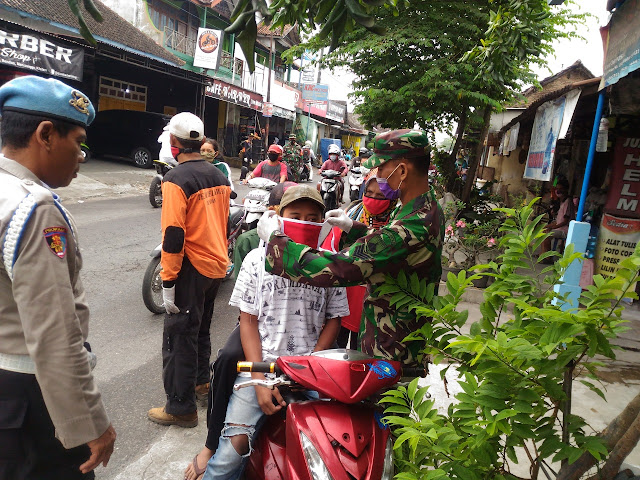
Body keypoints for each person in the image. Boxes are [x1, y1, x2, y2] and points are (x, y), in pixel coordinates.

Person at [0, 75, 116, 479]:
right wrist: (92, 423)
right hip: (28, 399)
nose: (81, 154)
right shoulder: (34, 208)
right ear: (45, 134)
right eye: (78, 141)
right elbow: (54, 334)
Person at [200, 185, 349, 480]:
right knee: (231, 454)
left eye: (312, 217)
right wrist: (258, 381)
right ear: (279, 219)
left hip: (309, 372)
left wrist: (313, 364)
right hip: (262, 367)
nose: (304, 222)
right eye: (295, 215)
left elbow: (334, 319)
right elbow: (248, 321)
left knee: (327, 450)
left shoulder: (329, 265)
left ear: (322, 223)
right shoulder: (258, 260)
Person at [259, 129, 444, 365]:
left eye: (382, 168)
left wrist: (276, 242)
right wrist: (354, 228)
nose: (377, 174)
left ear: (403, 170)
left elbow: (339, 268)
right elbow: (390, 247)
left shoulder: (416, 224)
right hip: (392, 338)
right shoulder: (422, 207)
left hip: (392, 351)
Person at [183, 180, 295, 480]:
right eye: (290, 210)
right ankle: (209, 445)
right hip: (257, 319)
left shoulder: (318, 253)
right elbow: (247, 312)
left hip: (294, 334)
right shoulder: (250, 243)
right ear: (275, 210)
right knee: (227, 359)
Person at [148, 112, 231, 428]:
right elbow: (221, 224)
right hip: (214, 266)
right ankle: (200, 383)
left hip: (190, 269)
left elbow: (173, 235)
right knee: (200, 329)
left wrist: (168, 281)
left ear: (173, 142)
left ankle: (180, 408)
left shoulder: (175, 180)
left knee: (178, 337)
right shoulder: (219, 177)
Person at [336, 173, 398, 349]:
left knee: (360, 345)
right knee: (339, 342)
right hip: (347, 290)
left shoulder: (397, 223)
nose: (373, 199)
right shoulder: (352, 212)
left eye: (381, 196)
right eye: (369, 193)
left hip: (373, 295)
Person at [541, 185, 574, 261]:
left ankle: (547, 257)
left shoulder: (568, 202)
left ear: (565, 190)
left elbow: (564, 221)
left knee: (546, 234)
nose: (558, 191)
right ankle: (542, 254)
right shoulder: (562, 202)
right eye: (557, 189)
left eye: (561, 189)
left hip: (565, 230)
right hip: (559, 228)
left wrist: (552, 227)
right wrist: (548, 226)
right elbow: (558, 221)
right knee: (542, 230)